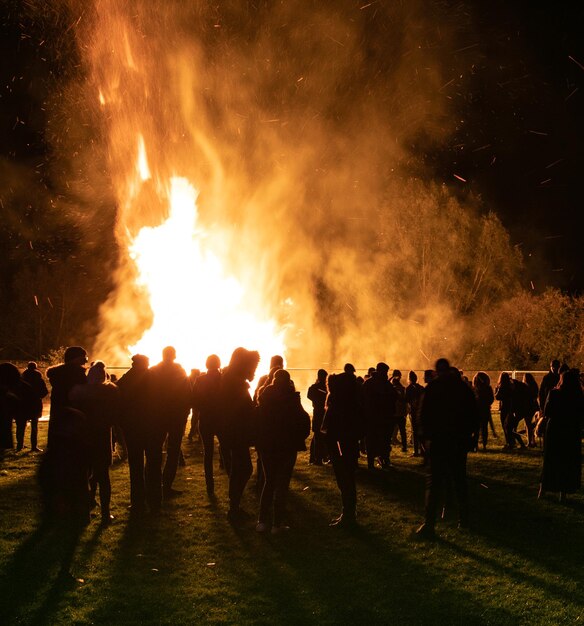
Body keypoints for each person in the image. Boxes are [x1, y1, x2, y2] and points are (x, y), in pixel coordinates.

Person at [416, 359, 479, 539]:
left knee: (434, 484)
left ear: (437, 371)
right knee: (459, 480)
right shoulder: (463, 389)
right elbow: (474, 416)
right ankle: (464, 519)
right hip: (458, 441)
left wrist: (424, 439)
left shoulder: (433, 388)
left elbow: (422, 416)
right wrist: (470, 436)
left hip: (438, 442)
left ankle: (429, 525)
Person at [255, 369, 310, 533]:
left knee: (269, 481)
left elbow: (257, 421)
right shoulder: (292, 400)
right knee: (282, 484)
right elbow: (303, 421)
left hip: (267, 446)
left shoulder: (264, 398)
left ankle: (262, 521)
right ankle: (277, 524)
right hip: (287, 445)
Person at [70, 361, 120, 525]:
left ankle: (84, 511)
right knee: (103, 476)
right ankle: (106, 513)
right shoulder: (110, 393)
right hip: (101, 437)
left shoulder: (79, 392)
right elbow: (114, 417)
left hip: (83, 437)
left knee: (84, 474)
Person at [217, 347, 260, 524]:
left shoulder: (230, 380)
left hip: (232, 432)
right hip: (236, 432)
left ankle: (234, 506)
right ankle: (233, 507)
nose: (255, 370)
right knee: (243, 468)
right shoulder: (235, 384)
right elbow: (241, 410)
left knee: (239, 468)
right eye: (253, 366)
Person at [322, 364, 363, 528]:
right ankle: (348, 513)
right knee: (348, 480)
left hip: (341, 445)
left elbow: (329, 427)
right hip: (348, 444)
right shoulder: (351, 402)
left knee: (345, 480)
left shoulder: (340, 404)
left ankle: (348, 515)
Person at [147, 346, 191, 501]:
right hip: (176, 417)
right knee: (172, 452)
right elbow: (187, 393)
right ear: (174, 355)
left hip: (158, 416)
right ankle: (166, 486)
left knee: (155, 452)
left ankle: (153, 487)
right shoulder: (179, 371)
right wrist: (185, 412)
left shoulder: (154, 370)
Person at [538, 369, 583, 502]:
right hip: (571, 431)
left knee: (551, 460)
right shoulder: (578, 395)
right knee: (568, 461)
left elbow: (548, 411)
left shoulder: (554, 393)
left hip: (555, 430)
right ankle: (563, 492)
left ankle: (543, 489)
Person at [116, 354, 151, 514]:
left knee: (135, 465)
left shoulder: (125, 380)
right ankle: (154, 498)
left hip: (132, 427)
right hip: (151, 425)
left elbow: (118, 401)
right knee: (153, 461)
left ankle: (138, 501)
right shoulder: (153, 378)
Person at [191, 355, 222, 496]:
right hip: (222, 419)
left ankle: (210, 486)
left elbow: (195, 401)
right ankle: (232, 480)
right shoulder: (224, 379)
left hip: (206, 419)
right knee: (226, 450)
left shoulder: (200, 380)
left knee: (208, 454)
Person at [46, 346, 88, 449]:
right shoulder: (77, 373)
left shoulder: (57, 374)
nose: (85, 360)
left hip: (58, 408)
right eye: (83, 357)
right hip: (74, 409)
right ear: (76, 358)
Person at [362, 362, 396, 470]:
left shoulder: (370, 383)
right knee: (381, 441)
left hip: (376, 418)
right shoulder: (384, 384)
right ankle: (381, 461)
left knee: (378, 441)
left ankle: (375, 462)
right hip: (379, 418)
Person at [19, 362, 48, 452]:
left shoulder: (22, 379)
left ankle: (19, 445)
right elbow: (45, 391)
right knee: (34, 425)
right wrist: (38, 397)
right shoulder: (38, 379)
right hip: (35, 403)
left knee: (21, 425)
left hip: (23, 403)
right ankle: (34, 446)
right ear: (36, 368)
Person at [307, 369, 328, 465]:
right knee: (320, 437)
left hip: (319, 413)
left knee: (318, 437)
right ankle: (318, 458)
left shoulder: (315, 387)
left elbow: (310, 395)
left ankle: (317, 457)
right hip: (322, 413)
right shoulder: (324, 387)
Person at [472, 372, 494, 451]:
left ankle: (476, 445)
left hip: (476, 410)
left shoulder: (474, 388)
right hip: (485, 410)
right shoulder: (488, 388)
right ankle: (484, 445)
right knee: (484, 428)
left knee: (476, 429)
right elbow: (491, 399)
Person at [405, 371, 424, 457]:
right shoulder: (421, 388)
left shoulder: (409, 388)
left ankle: (416, 451)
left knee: (414, 431)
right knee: (421, 431)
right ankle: (423, 451)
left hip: (413, 412)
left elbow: (407, 400)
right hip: (421, 411)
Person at [391, 370, 408, 453]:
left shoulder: (392, 389)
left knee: (390, 430)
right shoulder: (403, 389)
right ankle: (404, 447)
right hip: (401, 414)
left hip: (394, 414)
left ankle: (389, 445)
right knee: (403, 431)